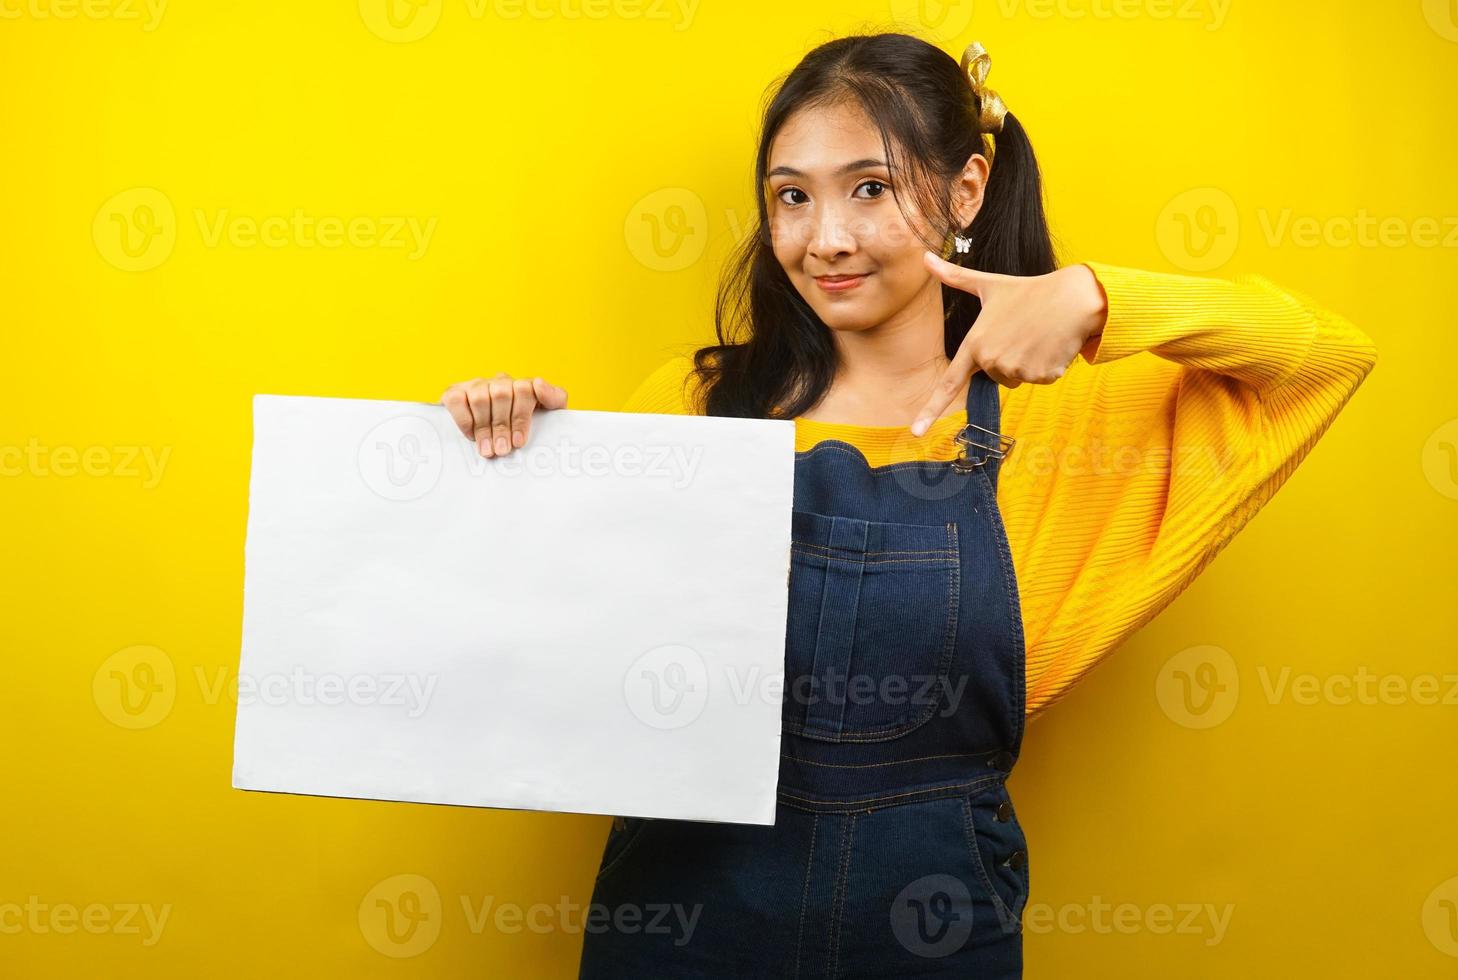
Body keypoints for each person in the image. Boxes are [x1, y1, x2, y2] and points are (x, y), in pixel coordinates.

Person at [439, 31, 1377, 979]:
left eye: (871, 188)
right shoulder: (694, 407)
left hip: (929, 918)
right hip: (685, 912)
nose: (826, 239)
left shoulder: (1069, 426)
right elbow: (554, 655)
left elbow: (1327, 357)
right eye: (792, 196)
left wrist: (1095, 300)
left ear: (965, 191)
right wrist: (503, 458)